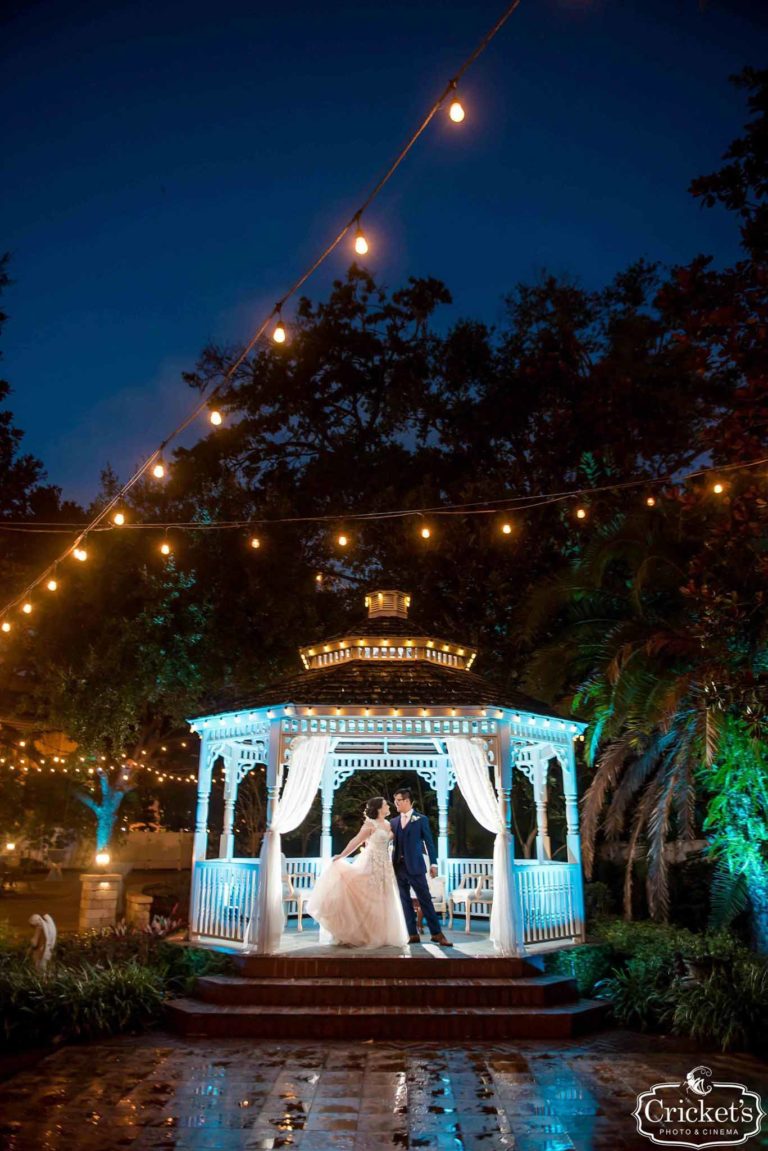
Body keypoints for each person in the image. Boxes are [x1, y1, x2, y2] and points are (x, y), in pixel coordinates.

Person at [305, 797, 408, 948]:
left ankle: (380, 935)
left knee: (384, 900)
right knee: (366, 899)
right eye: (386, 804)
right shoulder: (370, 824)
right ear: (379, 808)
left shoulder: (388, 824)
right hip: (371, 864)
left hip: (385, 866)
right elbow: (356, 841)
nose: (388, 806)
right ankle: (361, 934)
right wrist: (342, 856)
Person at [391, 788, 453, 947]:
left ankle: (437, 934)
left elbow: (429, 843)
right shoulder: (394, 822)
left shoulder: (421, 819)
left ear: (406, 801)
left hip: (416, 867)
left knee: (425, 900)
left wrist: (433, 864)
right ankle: (412, 934)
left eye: (398, 800)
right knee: (404, 902)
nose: (395, 803)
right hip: (398, 868)